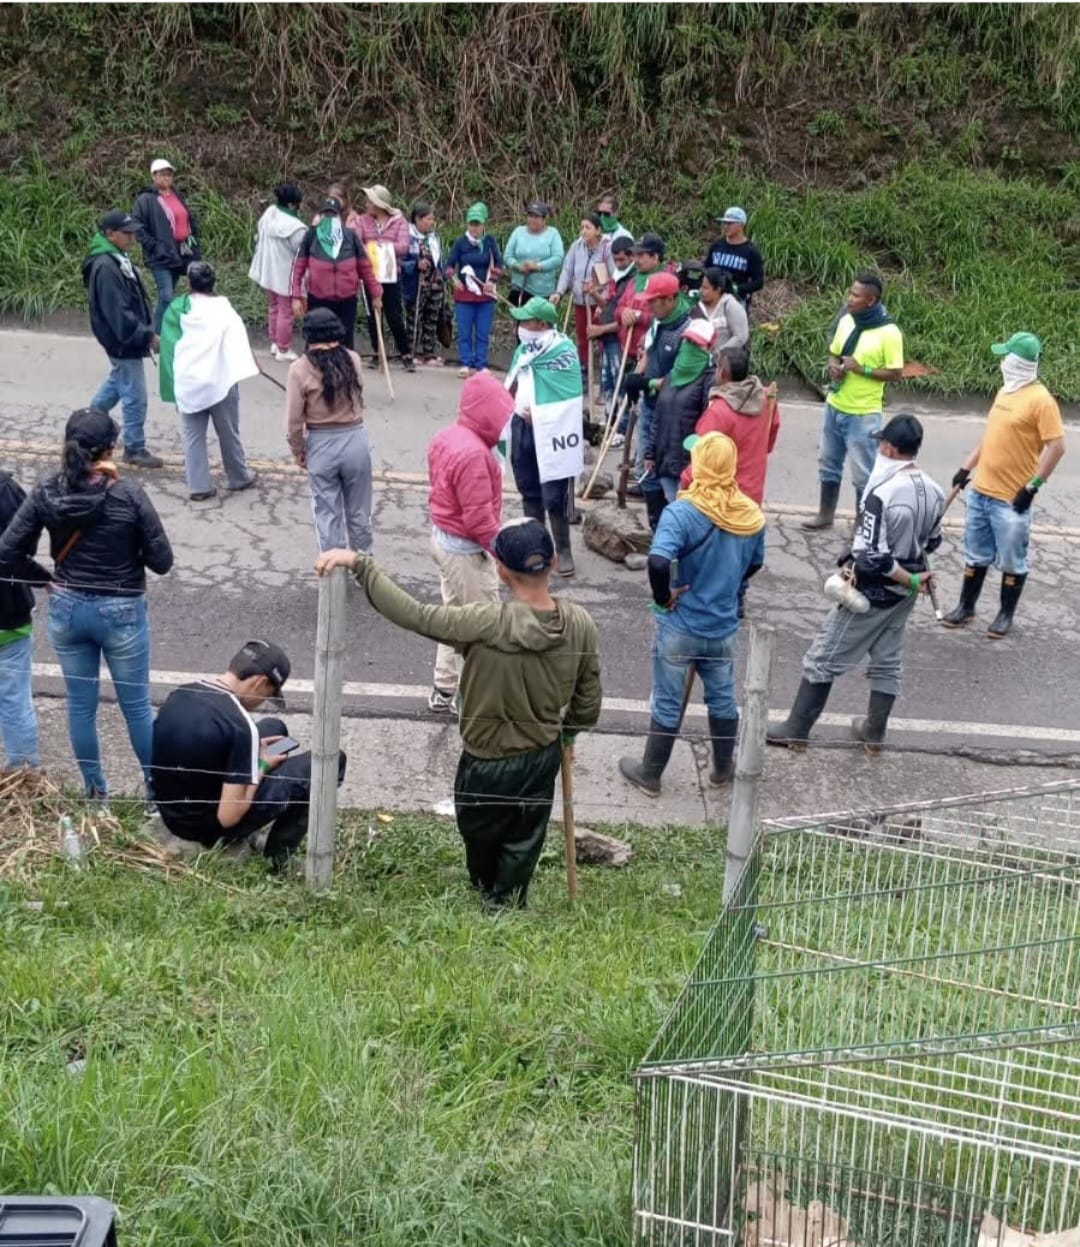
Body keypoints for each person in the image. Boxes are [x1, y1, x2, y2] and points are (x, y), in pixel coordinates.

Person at [315, 518, 602, 909]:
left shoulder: (484, 622)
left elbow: (414, 614)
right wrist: (569, 734)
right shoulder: (580, 625)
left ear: (500, 570)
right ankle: (508, 900)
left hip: (483, 760)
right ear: (553, 561)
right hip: (540, 756)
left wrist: (362, 564)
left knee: (478, 830)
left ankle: (487, 888)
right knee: (525, 835)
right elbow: (589, 696)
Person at [0, 408, 173, 798]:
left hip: (67, 610)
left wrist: (46, 578)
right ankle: (155, 795)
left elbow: (7, 552)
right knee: (137, 709)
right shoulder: (128, 494)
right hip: (122, 612)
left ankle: (96, 795)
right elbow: (162, 562)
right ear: (110, 449)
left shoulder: (47, 491)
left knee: (81, 707)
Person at [768, 415, 943, 753]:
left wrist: (907, 578)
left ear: (889, 448)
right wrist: (912, 578)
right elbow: (932, 542)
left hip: (874, 591)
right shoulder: (934, 490)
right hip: (905, 594)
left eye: (881, 444)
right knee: (887, 661)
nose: (878, 448)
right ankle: (874, 734)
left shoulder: (881, 492)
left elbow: (872, 557)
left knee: (823, 657)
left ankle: (796, 730)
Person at [619, 432, 765, 797]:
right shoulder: (749, 515)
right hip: (722, 626)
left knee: (668, 701)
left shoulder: (682, 513)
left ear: (701, 465)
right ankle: (722, 769)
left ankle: (651, 774)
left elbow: (657, 560)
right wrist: (728, 585)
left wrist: (663, 595)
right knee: (722, 697)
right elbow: (755, 564)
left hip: (680, 623)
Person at [151, 639, 344, 870]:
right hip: (206, 828)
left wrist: (248, 754)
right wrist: (259, 767)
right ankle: (278, 859)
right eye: (267, 695)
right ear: (260, 682)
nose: (262, 703)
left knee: (274, 726)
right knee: (327, 765)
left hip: (174, 811)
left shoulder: (181, 693)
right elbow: (228, 816)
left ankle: (257, 831)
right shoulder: (239, 725)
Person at [942, 333, 1066, 638]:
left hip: (1011, 499)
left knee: (1012, 558)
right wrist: (965, 467)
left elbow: (1057, 447)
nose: (1002, 362)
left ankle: (1004, 615)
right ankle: (966, 608)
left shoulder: (1041, 401)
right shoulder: (1005, 392)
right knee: (975, 553)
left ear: (1019, 362)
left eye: (1006, 356)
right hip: (981, 492)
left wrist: (1032, 487)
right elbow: (990, 437)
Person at [426, 372, 517, 713]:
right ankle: (471, 700)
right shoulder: (476, 456)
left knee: (453, 617)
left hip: (443, 539)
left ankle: (444, 687)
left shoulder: (446, 438)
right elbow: (480, 521)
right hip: (466, 552)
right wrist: (505, 554)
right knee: (482, 629)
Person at [802, 272, 904, 530]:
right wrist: (833, 367)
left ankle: (862, 526)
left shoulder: (889, 332)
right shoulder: (847, 320)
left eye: (856, 295)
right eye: (850, 292)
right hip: (835, 403)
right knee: (828, 463)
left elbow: (895, 373)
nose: (849, 299)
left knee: (862, 474)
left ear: (871, 301)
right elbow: (834, 352)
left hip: (863, 413)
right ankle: (825, 515)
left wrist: (863, 370)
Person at [158, 261, 259, 501]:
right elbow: (238, 342)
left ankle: (199, 486)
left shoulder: (176, 309)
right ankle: (238, 476)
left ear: (189, 283)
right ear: (213, 283)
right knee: (228, 432)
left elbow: (168, 346)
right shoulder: (224, 308)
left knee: (193, 435)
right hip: (220, 381)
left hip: (190, 382)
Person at [505, 297, 585, 578]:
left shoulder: (563, 351)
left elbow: (569, 394)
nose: (521, 325)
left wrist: (540, 415)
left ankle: (563, 549)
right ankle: (537, 547)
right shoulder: (523, 350)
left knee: (554, 493)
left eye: (526, 320)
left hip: (553, 430)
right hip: (522, 428)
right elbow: (512, 382)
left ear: (541, 323)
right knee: (529, 489)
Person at [286, 309, 372, 554]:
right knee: (359, 512)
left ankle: (334, 576)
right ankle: (364, 568)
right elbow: (359, 394)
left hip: (321, 443)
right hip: (354, 439)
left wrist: (298, 449)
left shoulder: (299, 369)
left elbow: (293, 420)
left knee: (327, 512)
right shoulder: (353, 359)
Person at [82, 210, 163, 469]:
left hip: (123, 338)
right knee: (135, 395)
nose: (132, 237)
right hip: (122, 339)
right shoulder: (106, 266)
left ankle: (87, 425)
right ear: (110, 234)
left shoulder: (116, 258)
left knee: (118, 382)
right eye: (126, 233)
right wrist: (146, 335)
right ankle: (134, 447)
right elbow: (118, 311)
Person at [623, 270, 692, 529]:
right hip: (650, 407)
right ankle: (657, 529)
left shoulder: (688, 331)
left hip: (672, 415)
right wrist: (636, 375)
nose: (648, 305)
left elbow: (677, 380)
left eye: (653, 300)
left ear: (670, 299)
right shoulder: (657, 321)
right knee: (646, 473)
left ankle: (674, 531)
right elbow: (647, 353)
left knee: (668, 476)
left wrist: (647, 383)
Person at [0, 471, 51, 771]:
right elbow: (20, 548)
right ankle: (22, 776)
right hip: (6, 616)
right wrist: (41, 578)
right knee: (14, 698)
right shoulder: (5, 490)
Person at [290, 197, 383, 353]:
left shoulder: (350, 237)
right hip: (318, 298)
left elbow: (365, 267)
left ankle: (345, 373)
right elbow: (298, 267)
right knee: (316, 341)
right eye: (325, 215)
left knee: (345, 344)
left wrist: (376, 293)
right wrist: (296, 296)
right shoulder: (311, 236)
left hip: (346, 299)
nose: (329, 219)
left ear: (340, 216)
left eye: (333, 215)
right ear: (320, 216)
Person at [645, 317, 717, 506]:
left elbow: (708, 425)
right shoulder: (672, 375)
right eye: (688, 341)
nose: (690, 346)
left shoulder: (709, 381)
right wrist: (650, 453)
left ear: (708, 348)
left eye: (696, 343)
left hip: (688, 466)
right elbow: (658, 417)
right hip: (664, 460)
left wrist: (693, 462)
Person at [132, 158, 200, 333]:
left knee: (168, 295)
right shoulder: (145, 199)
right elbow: (138, 228)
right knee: (166, 295)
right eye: (162, 174)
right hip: (160, 255)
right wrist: (155, 247)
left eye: (169, 174)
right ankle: (156, 333)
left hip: (180, 253)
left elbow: (187, 221)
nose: (166, 177)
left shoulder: (176, 195)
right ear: (153, 176)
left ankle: (162, 329)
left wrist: (193, 245)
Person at [355, 184, 414, 371]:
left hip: (391, 274)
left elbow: (404, 246)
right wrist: (371, 249)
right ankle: (377, 351)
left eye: (370, 201)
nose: (366, 204)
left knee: (394, 314)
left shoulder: (399, 221)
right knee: (373, 314)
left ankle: (405, 353)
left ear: (379, 204)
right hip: (370, 274)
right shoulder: (362, 221)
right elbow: (357, 243)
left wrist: (377, 247)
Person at [248, 182, 307, 361]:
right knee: (286, 311)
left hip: (267, 269)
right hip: (284, 273)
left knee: (273, 307)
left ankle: (275, 342)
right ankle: (283, 349)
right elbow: (303, 251)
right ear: (292, 205)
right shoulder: (297, 228)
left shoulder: (269, 214)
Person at [444, 203, 503, 378]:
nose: (474, 228)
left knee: (483, 331)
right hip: (465, 295)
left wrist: (492, 281)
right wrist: (454, 279)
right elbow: (448, 266)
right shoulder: (460, 243)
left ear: (484, 224)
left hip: (485, 295)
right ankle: (465, 363)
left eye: (478, 224)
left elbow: (499, 265)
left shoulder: (490, 241)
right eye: (472, 224)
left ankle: (481, 364)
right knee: (464, 331)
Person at [586, 233, 637, 421]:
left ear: (632, 256)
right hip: (607, 339)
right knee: (607, 382)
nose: (619, 263)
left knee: (619, 383)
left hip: (618, 339)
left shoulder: (633, 280)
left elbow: (625, 318)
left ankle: (621, 427)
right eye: (615, 260)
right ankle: (609, 419)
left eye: (622, 259)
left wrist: (600, 329)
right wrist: (594, 295)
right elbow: (609, 305)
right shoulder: (618, 276)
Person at [552, 213, 610, 377]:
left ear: (598, 230)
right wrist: (559, 291)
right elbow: (567, 270)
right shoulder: (576, 246)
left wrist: (603, 299)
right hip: (580, 301)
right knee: (582, 338)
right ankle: (583, 372)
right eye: (582, 227)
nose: (583, 231)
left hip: (599, 303)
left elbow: (613, 277)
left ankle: (604, 375)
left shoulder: (607, 248)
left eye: (588, 228)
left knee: (602, 339)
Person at [403, 201, 446, 367]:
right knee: (414, 319)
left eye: (432, 219)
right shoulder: (408, 237)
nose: (431, 222)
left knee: (431, 319)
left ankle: (429, 354)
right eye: (428, 219)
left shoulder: (434, 238)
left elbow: (440, 260)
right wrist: (415, 264)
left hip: (435, 284)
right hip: (417, 284)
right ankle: (410, 353)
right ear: (418, 219)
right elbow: (401, 262)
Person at [503, 202, 564, 305]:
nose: (532, 220)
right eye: (530, 216)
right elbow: (507, 256)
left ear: (544, 219)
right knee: (520, 320)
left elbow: (558, 258)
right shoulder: (518, 232)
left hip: (544, 292)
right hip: (519, 289)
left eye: (536, 217)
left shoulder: (553, 234)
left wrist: (538, 266)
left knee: (541, 321)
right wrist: (518, 266)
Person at [703, 206, 764, 308]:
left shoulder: (751, 252)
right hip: (713, 298)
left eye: (730, 223)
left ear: (741, 225)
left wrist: (736, 288)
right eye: (724, 223)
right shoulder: (717, 245)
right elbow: (706, 268)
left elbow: (758, 282)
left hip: (736, 302)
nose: (726, 226)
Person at [697, 267, 750, 355]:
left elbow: (741, 336)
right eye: (701, 286)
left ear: (717, 290)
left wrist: (718, 354)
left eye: (705, 288)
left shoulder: (731, 306)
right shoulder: (699, 305)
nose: (700, 291)